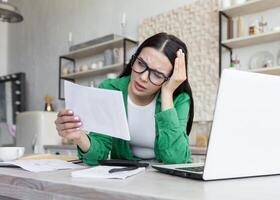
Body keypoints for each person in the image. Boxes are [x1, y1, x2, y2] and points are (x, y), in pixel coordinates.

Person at [55, 32, 194, 165]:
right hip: (124, 178)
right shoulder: (110, 89)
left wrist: (167, 93)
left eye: (157, 75)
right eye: (141, 64)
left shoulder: (179, 99)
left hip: (163, 183)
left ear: (169, 79)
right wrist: (78, 136)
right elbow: (98, 154)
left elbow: (177, 159)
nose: (143, 77)